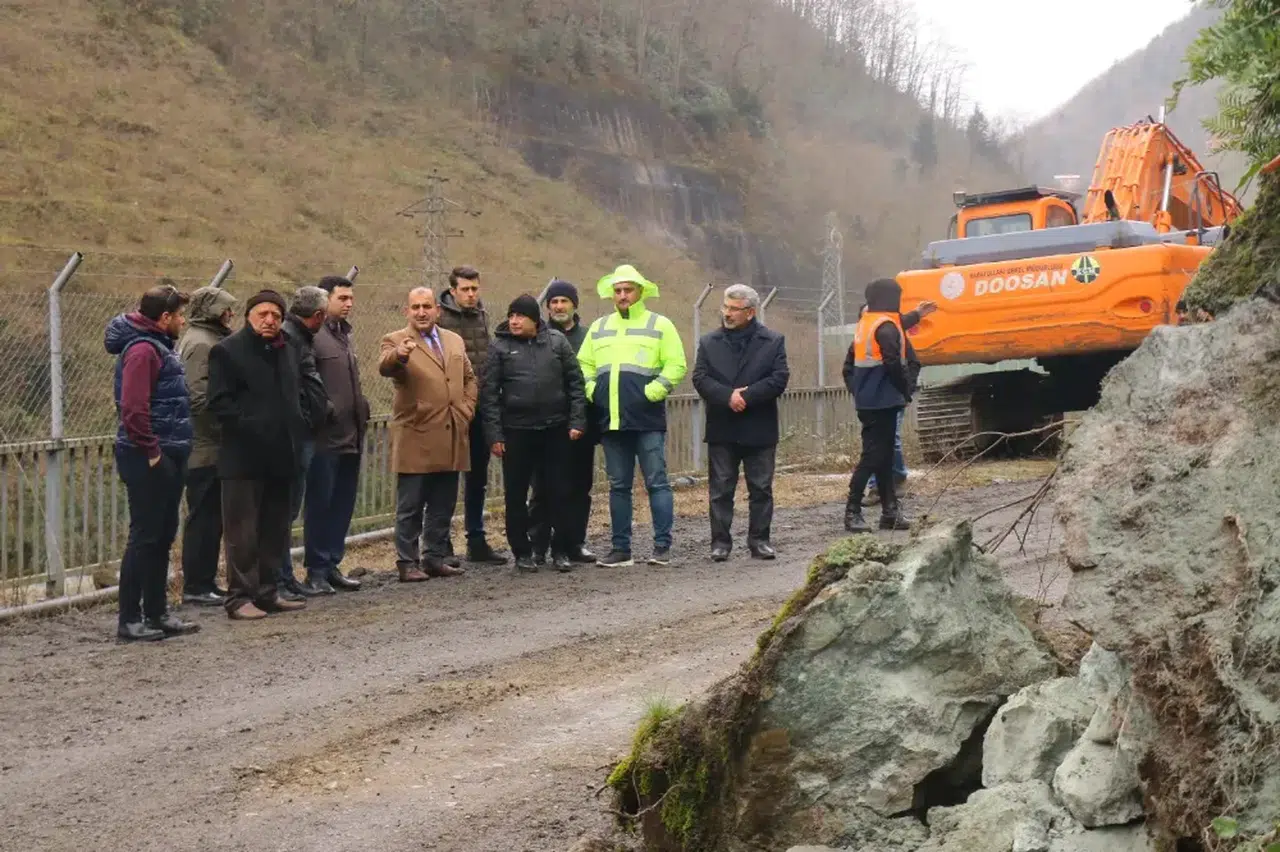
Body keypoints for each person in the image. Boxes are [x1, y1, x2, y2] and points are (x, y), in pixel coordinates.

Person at [104, 284, 200, 641]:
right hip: (146, 455)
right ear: (164, 318)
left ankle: (157, 612)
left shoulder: (159, 347)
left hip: (167, 451)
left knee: (162, 534)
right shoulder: (144, 350)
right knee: (144, 536)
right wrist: (153, 452)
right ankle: (130, 618)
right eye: (178, 315)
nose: (182, 320)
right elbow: (133, 408)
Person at [207, 290, 310, 620]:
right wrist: (256, 426)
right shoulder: (227, 351)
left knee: (274, 529)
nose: (270, 320)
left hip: (282, 456)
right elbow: (220, 403)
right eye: (263, 314)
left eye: (276, 315)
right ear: (249, 316)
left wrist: (298, 423)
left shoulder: (288, 349)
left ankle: (267, 592)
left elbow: (298, 393)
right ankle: (239, 597)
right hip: (244, 458)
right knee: (242, 531)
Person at [576, 264, 687, 568]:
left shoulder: (660, 325)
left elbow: (676, 364)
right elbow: (583, 363)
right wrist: (590, 390)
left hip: (647, 420)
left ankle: (662, 546)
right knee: (618, 486)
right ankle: (620, 549)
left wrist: (654, 391)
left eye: (628, 289)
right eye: (618, 290)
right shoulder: (599, 327)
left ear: (640, 292)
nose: (622, 295)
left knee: (657, 482)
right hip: (611, 421)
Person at [480, 294, 588, 572]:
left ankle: (560, 550)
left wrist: (576, 421)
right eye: (511, 315)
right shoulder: (500, 347)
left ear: (534, 320)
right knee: (515, 495)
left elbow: (575, 383)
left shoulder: (556, 342)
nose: (514, 321)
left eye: (520, 316)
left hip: (555, 430)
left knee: (559, 491)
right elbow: (489, 395)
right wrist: (495, 436)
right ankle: (523, 552)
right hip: (517, 432)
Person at [379, 287, 476, 583]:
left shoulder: (454, 340)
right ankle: (407, 562)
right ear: (406, 311)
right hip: (417, 434)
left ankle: (434, 557)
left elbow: (470, 378)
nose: (421, 312)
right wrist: (400, 355)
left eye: (427, 307)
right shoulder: (395, 340)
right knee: (411, 505)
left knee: (443, 502)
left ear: (438, 310)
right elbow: (386, 366)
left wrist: (465, 409)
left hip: (451, 432)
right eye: (415, 307)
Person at [691, 284, 790, 561]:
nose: (728, 313)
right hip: (723, 426)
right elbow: (700, 378)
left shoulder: (772, 341)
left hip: (759, 425)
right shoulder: (709, 342)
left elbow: (779, 378)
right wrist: (726, 396)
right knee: (721, 488)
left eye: (734, 309)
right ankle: (720, 542)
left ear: (750, 312)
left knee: (760, 488)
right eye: (725, 307)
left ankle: (759, 540)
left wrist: (746, 396)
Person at [435, 265, 507, 566]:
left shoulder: (482, 315)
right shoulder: (440, 318)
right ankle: (440, 543)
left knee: (477, 477)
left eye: (475, 288)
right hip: (450, 409)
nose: (471, 294)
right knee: (445, 477)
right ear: (453, 291)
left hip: (480, 408)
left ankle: (476, 540)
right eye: (465, 289)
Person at [305, 276, 370, 593]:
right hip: (324, 438)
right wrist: (326, 410)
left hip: (351, 434)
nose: (348, 303)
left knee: (343, 503)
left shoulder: (346, 337)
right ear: (324, 300)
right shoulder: (313, 337)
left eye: (350, 298)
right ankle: (315, 569)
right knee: (320, 503)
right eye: (342, 298)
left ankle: (332, 563)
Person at [528, 279, 599, 565]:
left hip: (582, 422)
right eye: (553, 302)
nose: (558, 306)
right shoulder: (536, 337)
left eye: (563, 301)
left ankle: (573, 542)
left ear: (574, 305)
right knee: (542, 486)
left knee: (580, 485)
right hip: (546, 425)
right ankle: (538, 543)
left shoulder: (590, 337)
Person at [177, 285, 237, 607]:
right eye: (226, 309)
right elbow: (198, 397)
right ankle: (197, 584)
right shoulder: (201, 344)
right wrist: (227, 424)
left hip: (210, 444)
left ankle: (204, 581)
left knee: (211, 517)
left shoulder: (209, 340)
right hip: (205, 446)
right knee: (203, 517)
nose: (231, 314)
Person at [843, 278, 913, 534]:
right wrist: (905, 390)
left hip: (871, 399)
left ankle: (890, 511)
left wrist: (859, 391)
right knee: (873, 456)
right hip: (882, 400)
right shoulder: (885, 327)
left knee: (882, 456)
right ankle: (852, 511)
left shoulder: (867, 324)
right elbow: (894, 363)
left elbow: (851, 367)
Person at [279, 286, 333, 599]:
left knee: (290, 509)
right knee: (285, 511)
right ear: (317, 316)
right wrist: (312, 412)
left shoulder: (300, 338)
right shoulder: (291, 340)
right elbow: (293, 386)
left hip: (306, 431)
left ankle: (286, 577)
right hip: (297, 435)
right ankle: (281, 577)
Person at [864, 299, 934, 505]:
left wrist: (905, 392)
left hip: (892, 396)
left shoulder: (895, 337)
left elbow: (912, 364)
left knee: (888, 439)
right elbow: (850, 369)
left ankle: (886, 483)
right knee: (875, 441)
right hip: (870, 399)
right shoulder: (863, 341)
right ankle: (881, 484)